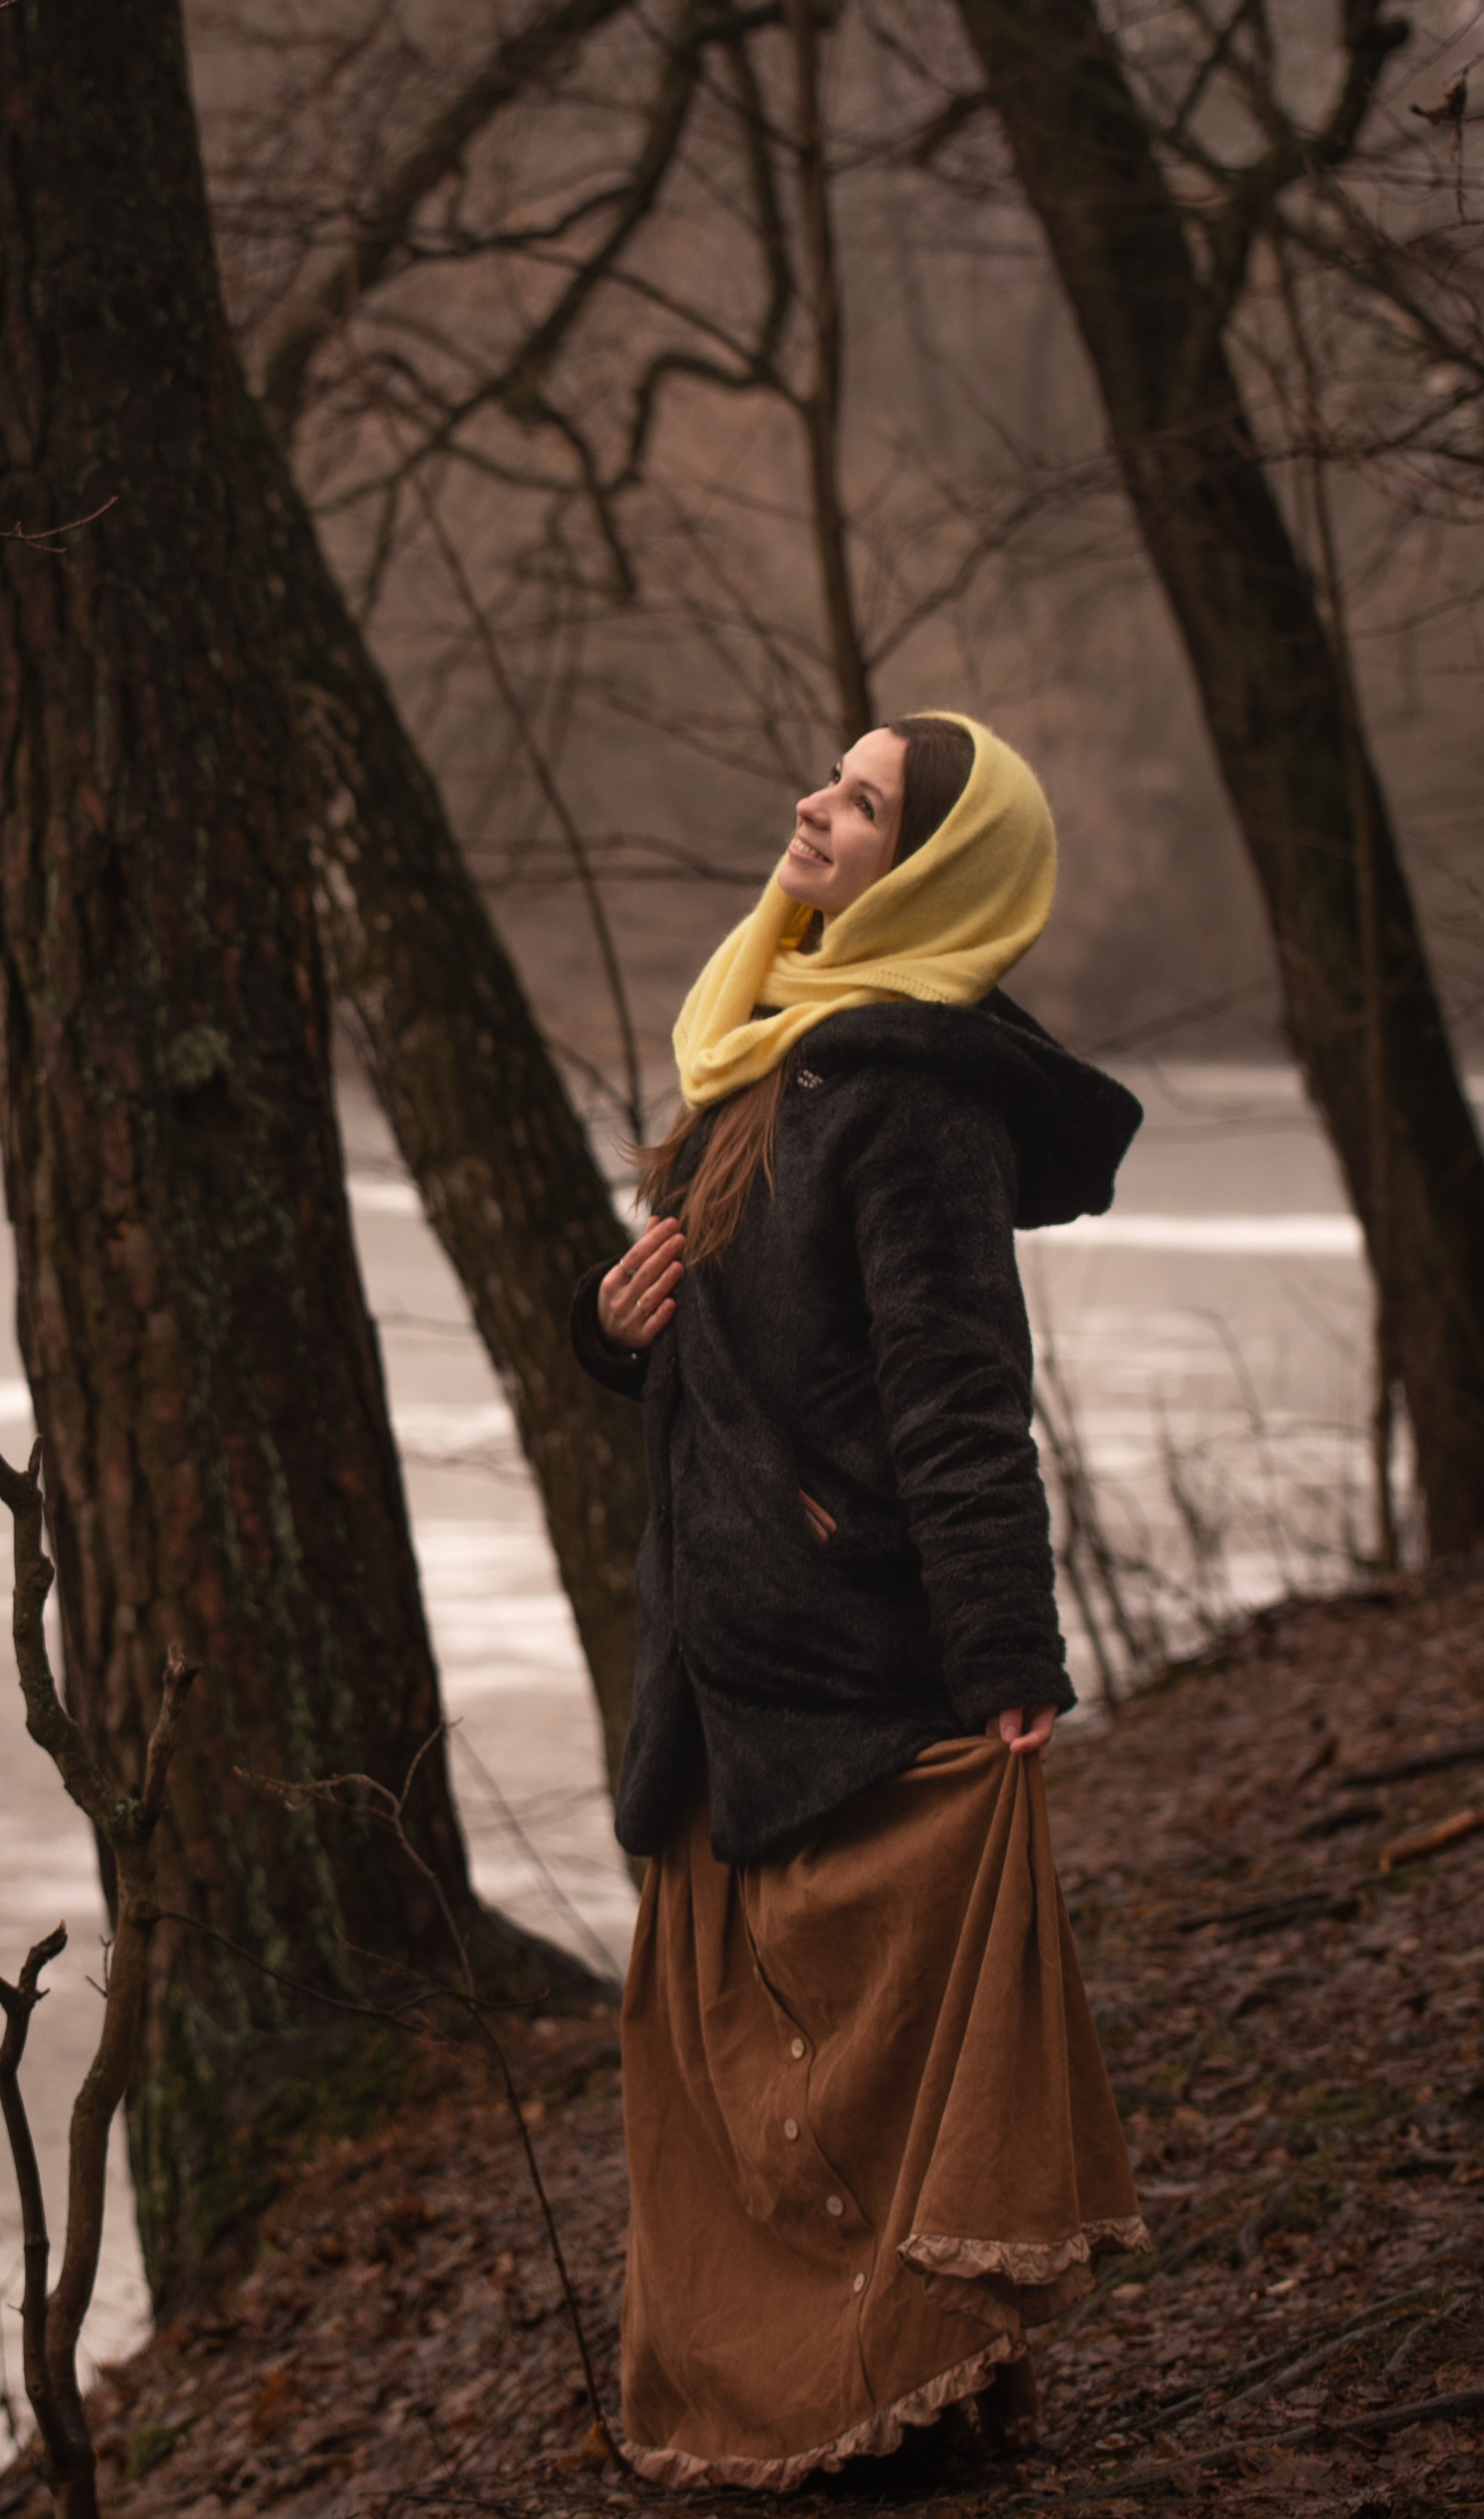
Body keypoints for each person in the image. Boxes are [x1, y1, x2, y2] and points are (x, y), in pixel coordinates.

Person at [570, 711, 1148, 2489]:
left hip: (848, 1662)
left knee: (870, 2082)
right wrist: (612, 1335)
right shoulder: (762, 1045)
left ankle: (921, 2420)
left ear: (935, 872)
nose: (814, 810)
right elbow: (732, 1361)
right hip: (718, 1651)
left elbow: (960, 1399)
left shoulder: (910, 1100)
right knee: (735, 2087)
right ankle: (806, 2416)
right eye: (830, 782)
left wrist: (1006, 1660)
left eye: (862, 802)